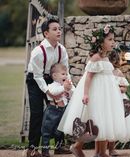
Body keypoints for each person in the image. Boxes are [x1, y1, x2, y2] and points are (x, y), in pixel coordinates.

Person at [58, 24, 127, 157]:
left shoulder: (106, 57)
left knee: (104, 121)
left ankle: (101, 152)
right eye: (110, 39)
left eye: (113, 39)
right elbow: (88, 77)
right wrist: (85, 94)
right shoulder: (95, 57)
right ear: (101, 42)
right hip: (96, 93)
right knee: (92, 122)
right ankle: (77, 146)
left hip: (107, 94)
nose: (113, 42)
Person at [26, 17, 71, 157]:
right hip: (35, 80)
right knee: (37, 113)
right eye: (55, 29)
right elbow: (38, 76)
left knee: (59, 110)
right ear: (46, 33)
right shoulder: (38, 52)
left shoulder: (61, 50)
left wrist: (66, 88)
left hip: (53, 79)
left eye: (59, 29)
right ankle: (32, 149)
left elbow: (65, 72)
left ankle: (59, 146)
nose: (59, 31)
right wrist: (49, 93)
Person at [107, 49, 130, 156]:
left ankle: (111, 148)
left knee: (115, 124)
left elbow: (124, 88)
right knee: (107, 123)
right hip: (106, 100)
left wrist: (116, 88)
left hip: (118, 101)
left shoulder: (118, 73)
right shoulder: (104, 73)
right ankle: (102, 149)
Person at [41, 63, 74, 157]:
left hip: (63, 110)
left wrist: (70, 89)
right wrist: (64, 88)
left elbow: (73, 93)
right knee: (47, 130)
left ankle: (58, 148)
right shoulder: (52, 85)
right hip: (52, 110)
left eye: (66, 74)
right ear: (55, 75)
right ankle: (45, 150)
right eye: (63, 74)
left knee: (59, 131)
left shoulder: (66, 85)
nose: (66, 75)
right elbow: (53, 92)